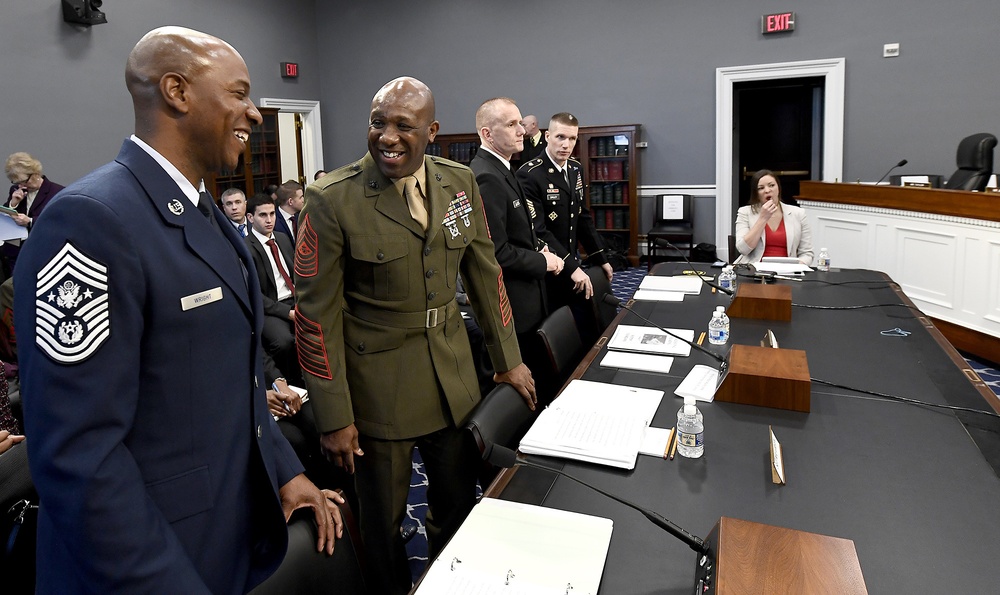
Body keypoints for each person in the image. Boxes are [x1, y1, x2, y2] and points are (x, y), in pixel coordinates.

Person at [13, 26, 339, 594]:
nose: (254, 112)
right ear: (177, 92)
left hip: (224, 528)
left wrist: (284, 471)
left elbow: (224, 381)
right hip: (148, 561)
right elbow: (79, 456)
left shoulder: (202, 209)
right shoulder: (91, 221)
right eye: (238, 93)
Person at [294, 76, 537, 595]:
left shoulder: (458, 182)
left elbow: (484, 271)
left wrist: (507, 359)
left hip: (453, 382)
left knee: (457, 509)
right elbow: (315, 317)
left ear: (432, 131)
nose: (387, 136)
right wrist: (334, 416)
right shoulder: (332, 198)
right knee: (382, 528)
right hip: (377, 394)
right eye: (377, 123)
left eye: (404, 126)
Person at [470, 97, 563, 386]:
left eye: (520, 123)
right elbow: (495, 253)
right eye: (511, 124)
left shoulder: (504, 167)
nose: (521, 130)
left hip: (528, 295)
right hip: (512, 304)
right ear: (487, 134)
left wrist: (537, 247)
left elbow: (516, 231)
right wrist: (543, 261)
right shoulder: (486, 176)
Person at [517, 112, 612, 342]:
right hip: (550, 269)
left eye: (572, 139)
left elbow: (583, 217)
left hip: (573, 262)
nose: (566, 144)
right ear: (547, 136)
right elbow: (539, 231)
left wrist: (601, 258)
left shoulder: (575, 169)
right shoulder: (529, 174)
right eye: (560, 137)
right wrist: (571, 267)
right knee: (557, 334)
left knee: (586, 327)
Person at [245, 192, 301, 384]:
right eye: (263, 215)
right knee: (284, 342)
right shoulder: (246, 248)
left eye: (272, 214)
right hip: (270, 307)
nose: (269, 220)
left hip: (296, 299)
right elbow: (253, 294)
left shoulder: (282, 238)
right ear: (250, 217)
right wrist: (288, 312)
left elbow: (298, 275)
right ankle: (291, 383)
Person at [734, 169, 814, 265]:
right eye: (761, 188)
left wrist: (796, 268)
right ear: (756, 193)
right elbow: (743, 249)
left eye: (771, 185)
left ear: (778, 188)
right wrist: (763, 218)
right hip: (754, 270)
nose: (767, 190)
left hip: (788, 272)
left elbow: (807, 254)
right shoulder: (745, 212)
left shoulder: (798, 213)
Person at [3, 152, 65, 274]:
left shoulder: (57, 192)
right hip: (17, 254)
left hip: (42, 254)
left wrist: (30, 221)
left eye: (24, 181)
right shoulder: (16, 190)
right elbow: (5, 217)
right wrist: (13, 203)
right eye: (16, 183)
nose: (21, 186)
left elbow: (59, 222)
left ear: (35, 173)